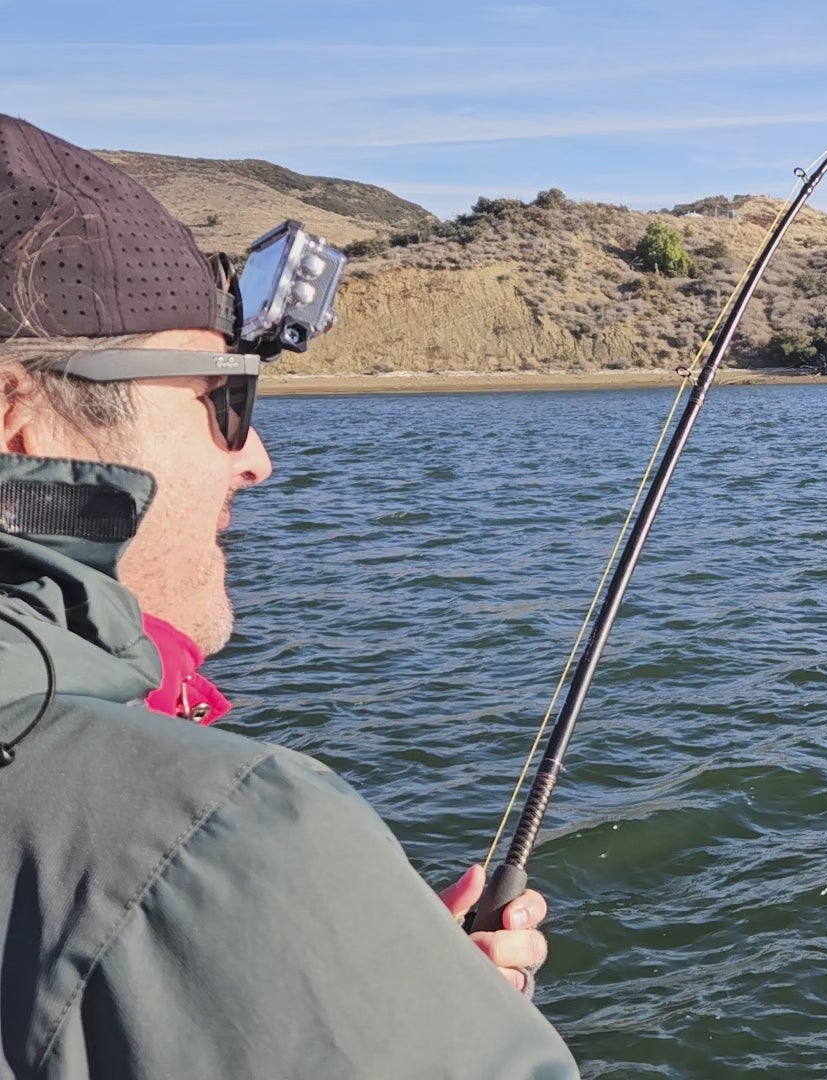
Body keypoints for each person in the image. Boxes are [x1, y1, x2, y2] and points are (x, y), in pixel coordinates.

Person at [0, 115, 578, 1076]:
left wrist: (360, 981)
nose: (256, 460)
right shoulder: (219, 836)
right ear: (17, 423)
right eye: (223, 399)